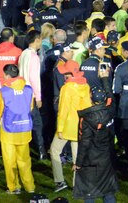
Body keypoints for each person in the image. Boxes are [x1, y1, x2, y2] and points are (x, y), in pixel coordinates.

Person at [51, 60, 91, 192]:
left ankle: (59, 181)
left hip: (67, 126)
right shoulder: (85, 85)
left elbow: (63, 110)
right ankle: (77, 184)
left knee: (54, 151)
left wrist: (60, 128)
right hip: (81, 125)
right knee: (77, 156)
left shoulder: (66, 88)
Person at [73, 85, 117, 203]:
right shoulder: (110, 111)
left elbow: (85, 142)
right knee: (108, 191)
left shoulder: (87, 118)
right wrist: (105, 80)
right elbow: (111, 98)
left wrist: (78, 163)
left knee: (89, 191)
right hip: (107, 158)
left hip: (90, 159)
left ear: (91, 98)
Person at [0, 63, 36, 194]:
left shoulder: (4, 91)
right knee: (25, 160)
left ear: (7, 75)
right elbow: (30, 107)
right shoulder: (28, 89)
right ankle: (29, 186)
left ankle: (14, 187)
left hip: (8, 131)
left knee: (9, 161)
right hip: (24, 129)